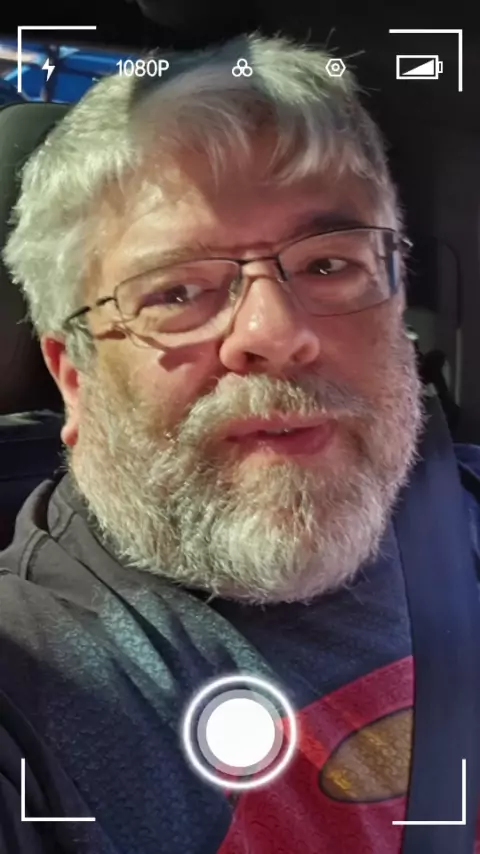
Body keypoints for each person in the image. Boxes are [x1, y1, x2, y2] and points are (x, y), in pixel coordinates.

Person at [1, 32, 480, 854]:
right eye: (176, 291)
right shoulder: (36, 675)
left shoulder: (462, 514)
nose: (275, 333)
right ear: (74, 378)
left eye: (329, 266)